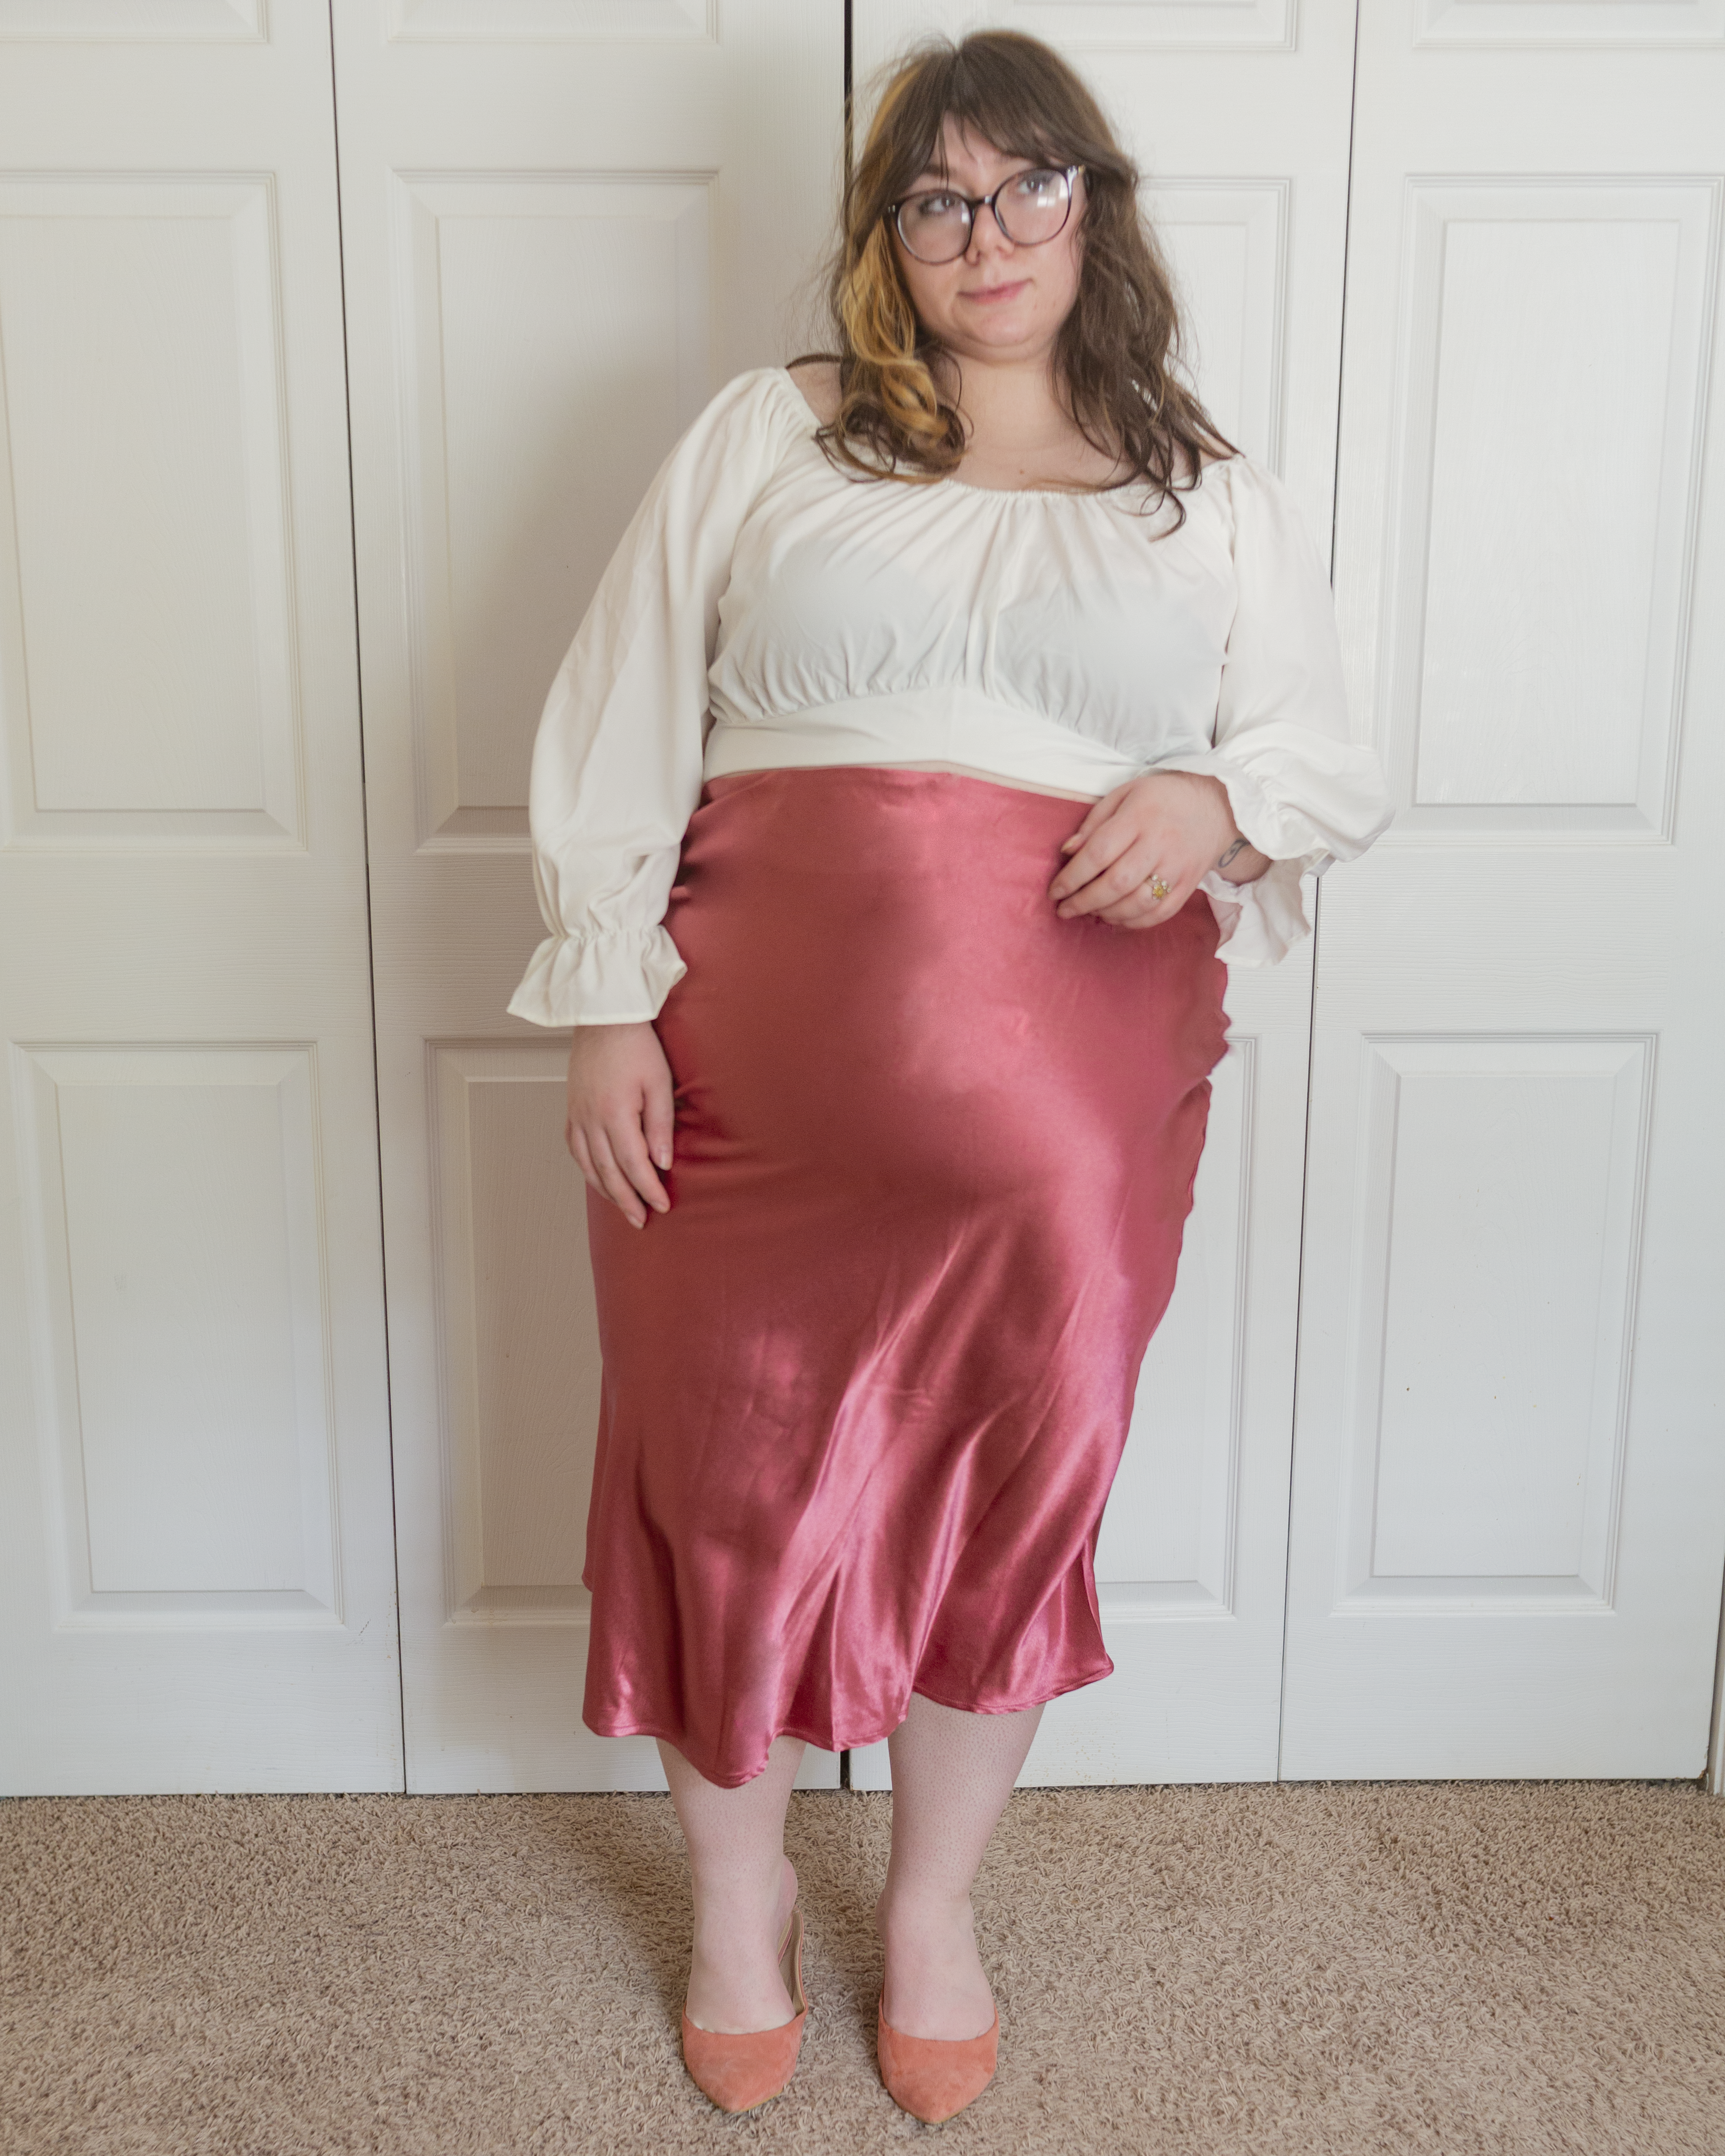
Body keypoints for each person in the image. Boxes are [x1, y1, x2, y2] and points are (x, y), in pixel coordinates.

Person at [506, 29, 1393, 2126]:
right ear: (885, 238)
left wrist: (1217, 798)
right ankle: (739, 1913)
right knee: (710, 1480)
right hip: (741, 1083)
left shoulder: (1205, 495)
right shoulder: (771, 434)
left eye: (1026, 188)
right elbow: (619, 710)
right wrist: (604, 999)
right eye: (936, 199)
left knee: (1018, 1484)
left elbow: (1329, 759)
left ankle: (932, 1915)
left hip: (1070, 1118)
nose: (983, 236)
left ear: (1097, 205)